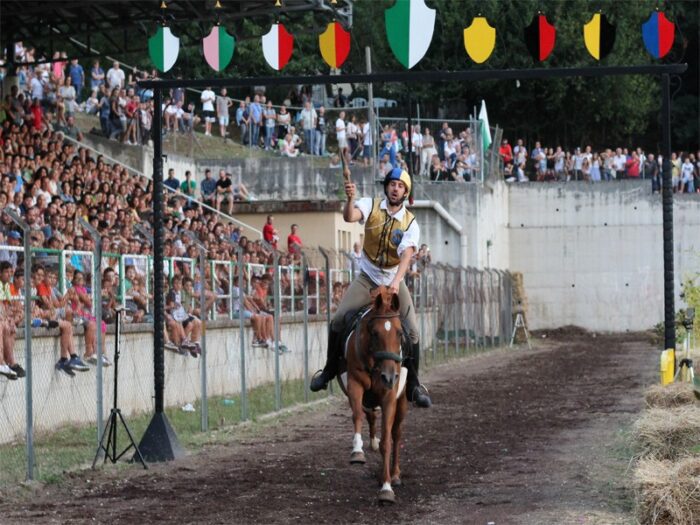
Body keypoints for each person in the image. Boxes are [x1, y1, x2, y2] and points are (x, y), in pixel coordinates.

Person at [309, 168, 432, 408]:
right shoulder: (371, 205)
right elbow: (349, 217)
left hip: (393, 280)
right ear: (386, 186)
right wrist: (349, 199)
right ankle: (328, 370)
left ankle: (414, 385)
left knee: (413, 332)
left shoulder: (410, 223)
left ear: (406, 192)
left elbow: (407, 254)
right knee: (338, 319)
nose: (395, 188)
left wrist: (396, 282)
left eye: (400, 186)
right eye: (392, 184)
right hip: (367, 277)